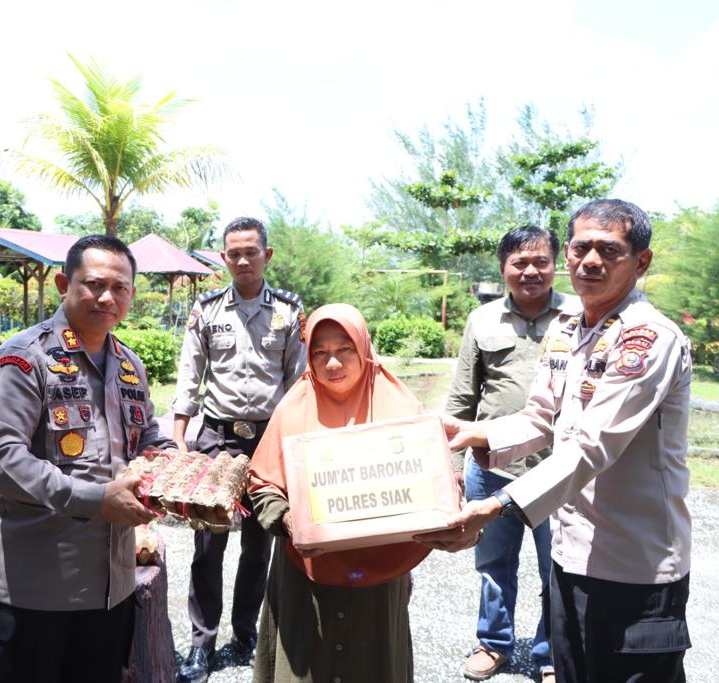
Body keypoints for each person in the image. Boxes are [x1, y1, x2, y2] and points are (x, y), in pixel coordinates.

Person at [418, 199, 693, 682]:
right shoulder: (567, 331)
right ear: (568, 253)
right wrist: (474, 432)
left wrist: (495, 505)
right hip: (572, 553)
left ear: (641, 261)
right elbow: (542, 417)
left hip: (634, 564)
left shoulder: (648, 339)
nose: (591, 261)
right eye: (581, 248)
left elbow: (591, 445)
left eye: (609, 250)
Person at [0, 234, 173, 682]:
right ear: (64, 284)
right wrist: (95, 498)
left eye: (119, 288)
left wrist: (170, 462)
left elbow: (146, 436)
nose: (107, 297)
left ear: (131, 294)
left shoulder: (130, 365)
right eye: (94, 284)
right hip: (31, 590)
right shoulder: (23, 359)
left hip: (110, 589)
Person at [246, 303, 431, 683]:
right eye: (320, 352)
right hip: (304, 570)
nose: (332, 363)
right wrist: (286, 518)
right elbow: (263, 483)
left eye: (344, 349)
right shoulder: (293, 408)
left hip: (380, 571)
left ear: (363, 347)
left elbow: (428, 482)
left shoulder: (400, 406)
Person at [172, 216, 307, 682]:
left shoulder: (288, 310)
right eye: (234, 253)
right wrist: (180, 436)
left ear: (266, 255)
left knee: (259, 543)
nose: (243, 260)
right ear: (223, 258)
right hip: (217, 438)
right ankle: (201, 643)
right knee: (208, 545)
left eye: (251, 252)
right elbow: (189, 373)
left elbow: (297, 381)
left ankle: (246, 633)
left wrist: (295, 442)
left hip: (270, 437)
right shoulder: (207, 309)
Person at [446, 225, 577, 682]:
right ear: (503, 268)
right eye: (520, 262)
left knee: (555, 568)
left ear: (556, 264)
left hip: (557, 471)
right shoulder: (483, 321)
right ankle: (494, 642)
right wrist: (452, 466)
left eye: (541, 261)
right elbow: (463, 398)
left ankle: (550, 653)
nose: (531, 271)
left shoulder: (578, 317)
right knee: (492, 565)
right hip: (492, 468)